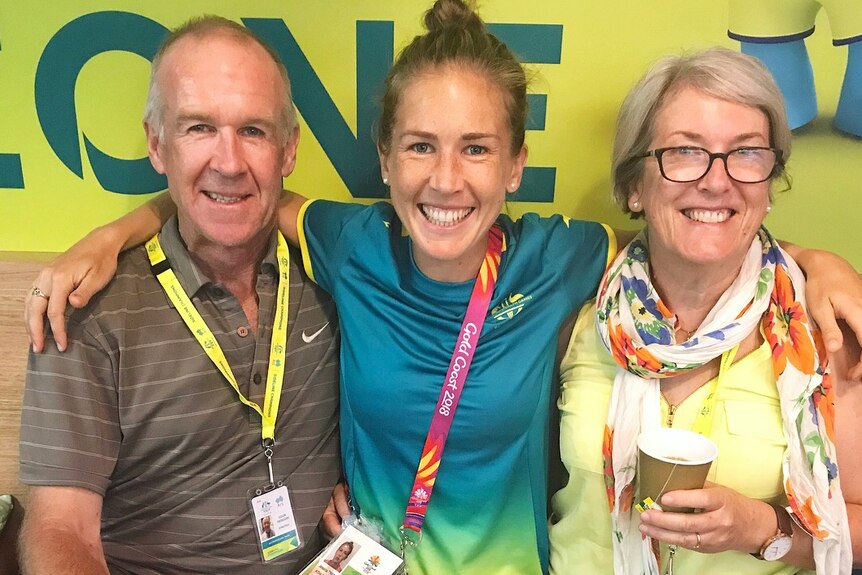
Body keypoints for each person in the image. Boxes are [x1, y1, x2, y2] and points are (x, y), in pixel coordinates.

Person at [21, 3, 862, 574]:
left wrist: (819, 264)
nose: (447, 180)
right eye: (420, 146)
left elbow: (699, 229)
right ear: (383, 160)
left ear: (516, 165)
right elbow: (226, 191)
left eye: (476, 148)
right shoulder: (347, 244)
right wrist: (113, 233)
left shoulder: (563, 258)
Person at [18, 17, 341, 575]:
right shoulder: (89, 304)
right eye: (198, 128)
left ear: (288, 151)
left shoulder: (335, 275)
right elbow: (59, 530)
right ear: (156, 143)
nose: (229, 162)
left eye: (254, 131)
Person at [548, 47, 862, 574]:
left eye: (745, 153)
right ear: (633, 188)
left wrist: (766, 529)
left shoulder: (823, 331)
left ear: (769, 184)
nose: (717, 181)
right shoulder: (581, 315)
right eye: (686, 152)